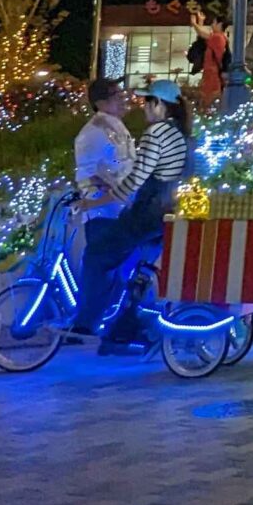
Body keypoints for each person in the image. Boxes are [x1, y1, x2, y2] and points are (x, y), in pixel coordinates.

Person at [70, 80, 189, 353]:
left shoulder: (147, 133)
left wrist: (100, 199)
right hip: (136, 213)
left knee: (103, 262)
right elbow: (104, 173)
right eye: (118, 96)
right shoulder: (97, 132)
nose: (128, 102)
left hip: (136, 213)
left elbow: (132, 176)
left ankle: (98, 326)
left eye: (146, 102)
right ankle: (113, 325)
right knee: (122, 270)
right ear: (101, 102)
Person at [72, 77, 135, 239]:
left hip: (121, 211)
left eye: (122, 95)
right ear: (100, 102)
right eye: (117, 96)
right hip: (103, 215)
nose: (123, 100)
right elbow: (90, 175)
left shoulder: (115, 126)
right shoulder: (93, 132)